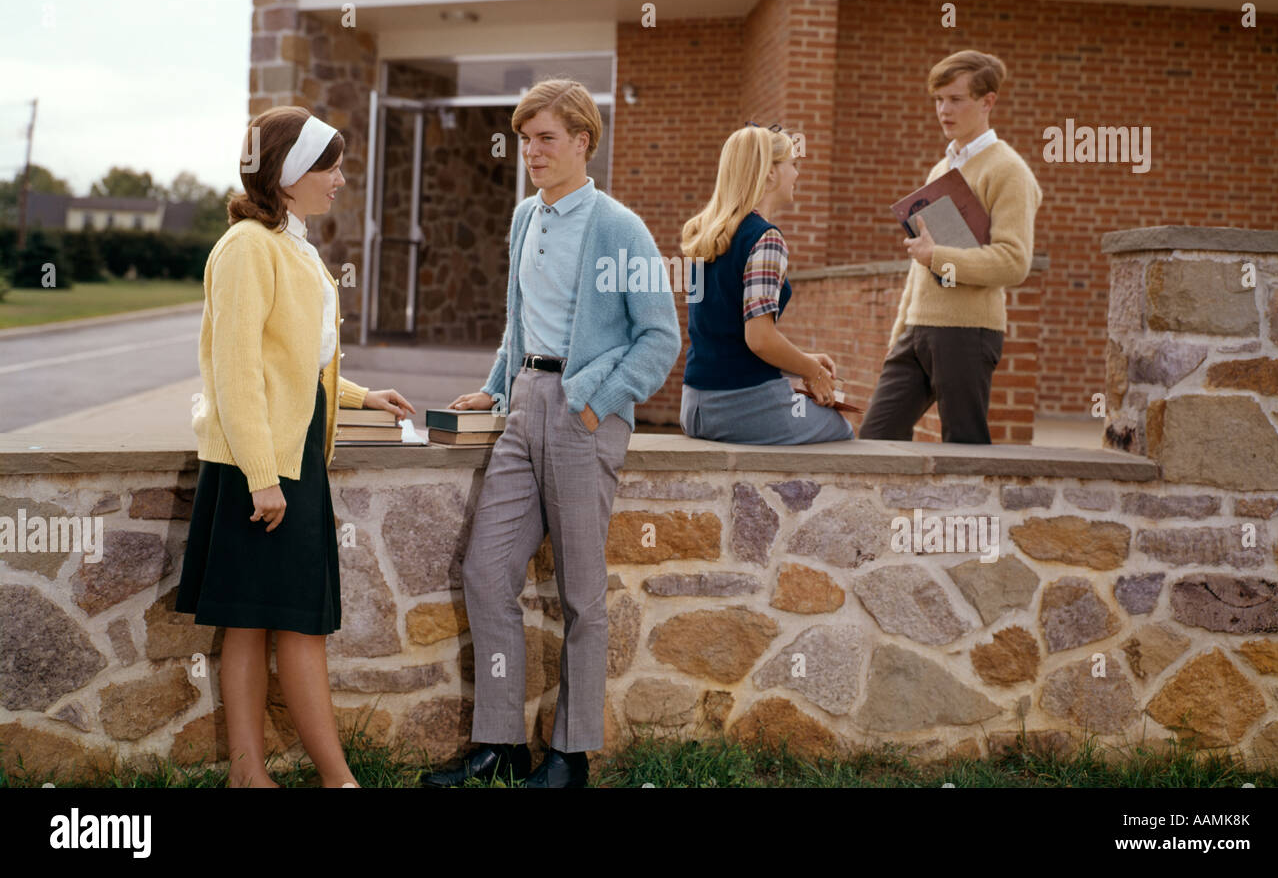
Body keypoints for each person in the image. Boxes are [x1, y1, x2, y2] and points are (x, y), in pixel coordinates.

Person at [420, 78, 680, 789]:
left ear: (583, 142)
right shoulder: (523, 218)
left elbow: (660, 338)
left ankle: (572, 755)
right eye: (526, 138)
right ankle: (500, 743)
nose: (530, 151)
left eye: (546, 138)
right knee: (485, 570)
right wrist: (497, 385)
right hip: (522, 407)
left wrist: (596, 405)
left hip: (582, 412)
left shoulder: (619, 227)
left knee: (581, 594)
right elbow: (516, 318)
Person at [178, 106, 415, 788]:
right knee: (286, 626)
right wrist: (261, 475)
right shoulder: (248, 247)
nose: (340, 178)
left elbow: (293, 365)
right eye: (328, 166)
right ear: (287, 174)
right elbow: (237, 369)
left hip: (290, 457)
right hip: (261, 466)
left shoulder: (290, 244)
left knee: (261, 622)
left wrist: (362, 395)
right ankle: (333, 780)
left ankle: (252, 777)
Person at [859, 50, 1042, 444]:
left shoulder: (1009, 171)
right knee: (876, 438)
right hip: (918, 330)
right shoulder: (942, 169)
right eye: (938, 99)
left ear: (987, 101)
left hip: (967, 331)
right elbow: (919, 262)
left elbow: (1014, 262)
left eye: (955, 99)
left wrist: (937, 257)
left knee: (965, 449)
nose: (944, 110)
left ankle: (973, 510)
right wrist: (900, 332)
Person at [678, 124, 852, 444]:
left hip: (694, 407)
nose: (797, 175)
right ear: (770, 174)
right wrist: (812, 373)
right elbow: (759, 338)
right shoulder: (765, 237)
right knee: (840, 428)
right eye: (793, 165)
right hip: (740, 408)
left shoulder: (708, 234)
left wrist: (803, 359)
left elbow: (726, 335)